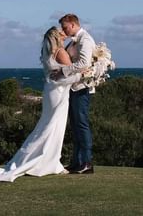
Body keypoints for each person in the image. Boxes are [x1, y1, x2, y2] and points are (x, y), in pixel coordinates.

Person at [0, 26, 81, 183]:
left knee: (47, 126)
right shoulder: (60, 52)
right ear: (57, 36)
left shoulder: (47, 51)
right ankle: (45, 162)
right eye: (62, 33)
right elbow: (71, 74)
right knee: (52, 127)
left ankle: (48, 161)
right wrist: (84, 74)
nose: (65, 34)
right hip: (59, 92)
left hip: (51, 91)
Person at [53, 13, 96, 174]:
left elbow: (83, 63)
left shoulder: (85, 39)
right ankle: (76, 162)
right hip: (72, 87)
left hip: (81, 88)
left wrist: (62, 72)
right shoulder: (74, 40)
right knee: (76, 126)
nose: (63, 30)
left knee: (81, 125)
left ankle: (87, 162)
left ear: (72, 24)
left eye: (65, 27)